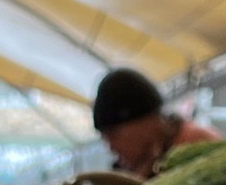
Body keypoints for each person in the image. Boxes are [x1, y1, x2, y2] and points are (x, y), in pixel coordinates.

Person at [89, 67, 217, 176]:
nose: (111, 147)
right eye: (104, 138)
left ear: (147, 120)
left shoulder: (197, 144)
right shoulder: (137, 163)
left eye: (114, 134)